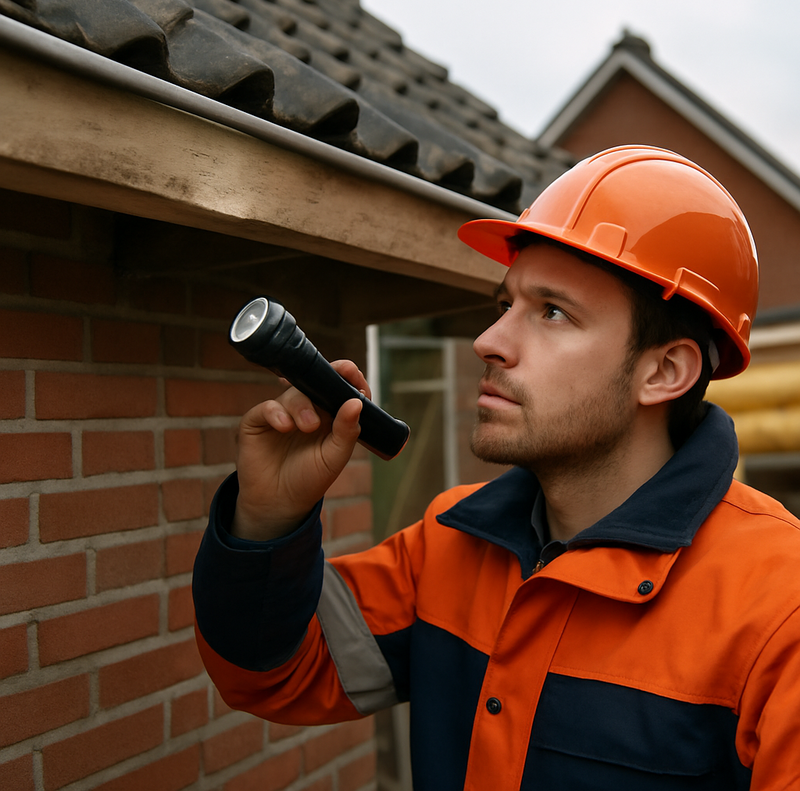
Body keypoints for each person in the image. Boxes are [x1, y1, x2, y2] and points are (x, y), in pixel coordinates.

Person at [192, 145, 800, 790]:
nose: (490, 340)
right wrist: (267, 520)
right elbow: (273, 675)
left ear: (664, 371)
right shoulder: (451, 541)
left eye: (553, 311)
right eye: (505, 303)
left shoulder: (777, 608)